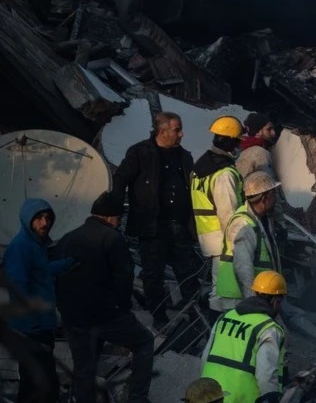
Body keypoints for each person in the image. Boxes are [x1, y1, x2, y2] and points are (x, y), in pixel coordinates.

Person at [56, 193, 155, 403]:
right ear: (110, 217)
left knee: (84, 367)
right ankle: (137, 399)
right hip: (105, 315)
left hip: (73, 317)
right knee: (144, 342)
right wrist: (124, 307)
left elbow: (55, 275)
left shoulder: (67, 238)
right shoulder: (112, 238)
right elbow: (124, 277)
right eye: (118, 218)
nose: (119, 223)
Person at [111, 111, 200, 328]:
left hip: (179, 225)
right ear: (162, 131)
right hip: (152, 226)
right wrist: (114, 210)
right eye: (177, 130)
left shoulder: (184, 156)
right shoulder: (140, 153)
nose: (181, 134)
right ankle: (159, 318)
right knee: (153, 274)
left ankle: (196, 316)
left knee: (188, 272)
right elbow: (120, 179)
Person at [2, 199, 73, 403]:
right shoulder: (21, 246)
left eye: (47, 218)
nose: (44, 223)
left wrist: (67, 264)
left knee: (34, 382)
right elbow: (17, 287)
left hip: (40, 325)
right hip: (31, 329)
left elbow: (41, 272)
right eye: (39, 219)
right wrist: (31, 324)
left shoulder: (34, 244)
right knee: (43, 383)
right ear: (27, 220)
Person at [201, 271, 287, 403]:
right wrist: (269, 398)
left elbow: (205, 357)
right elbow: (266, 373)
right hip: (241, 398)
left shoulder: (225, 317)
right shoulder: (268, 328)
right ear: (276, 302)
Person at [210, 172, 281, 315]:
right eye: (274, 194)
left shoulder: (257, 220)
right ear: (264, 198)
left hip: (249, 299)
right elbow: (243, 266)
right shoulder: (243, 224)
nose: (276, 198)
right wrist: (253, 303)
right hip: (237, 302)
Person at [192, 116, 246, 295]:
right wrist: (240, 242)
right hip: (226, 240)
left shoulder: (200, 167)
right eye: (238, 141)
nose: (239, 145)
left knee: (221, 285)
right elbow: (228, 213)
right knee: (226, 290)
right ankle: (220, 317)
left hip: (209, 237)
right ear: (231, 141)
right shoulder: (223, 173)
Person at [235, 113, 278, 178]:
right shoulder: (259, 152)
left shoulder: (240, 147)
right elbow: (268, 180)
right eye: (269, 129)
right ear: (258, 131)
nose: (273, 132)